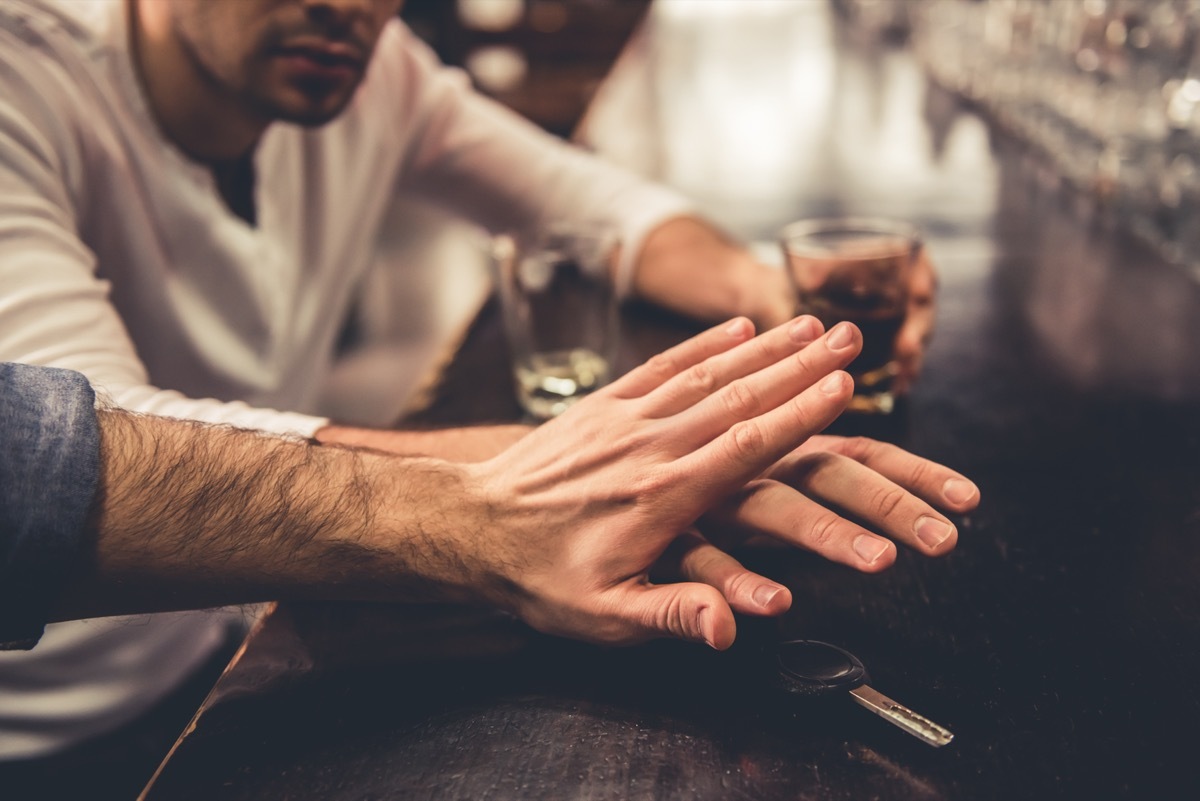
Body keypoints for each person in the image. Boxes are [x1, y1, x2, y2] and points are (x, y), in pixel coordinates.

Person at [0, 0, 955, 777]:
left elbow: (591, 203)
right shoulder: (23, 77)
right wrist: (588, 474)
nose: (352, 9)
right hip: (65, 728)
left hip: (236, 637)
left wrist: (775, 294)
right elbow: (85, 440)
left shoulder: (370, 69)